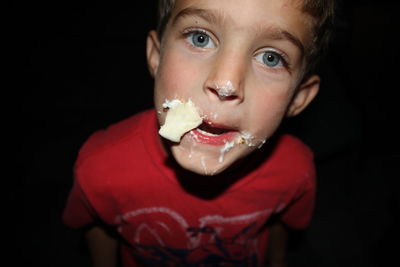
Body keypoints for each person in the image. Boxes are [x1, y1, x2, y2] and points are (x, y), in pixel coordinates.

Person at [63, 0, 335, 266]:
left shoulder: (294, 171)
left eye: (271, 58)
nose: (225, 83)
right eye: (200, 38)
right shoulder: (100, 167)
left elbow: (281, 225)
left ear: (298, 98)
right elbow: (98, 226)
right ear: (157, 56)